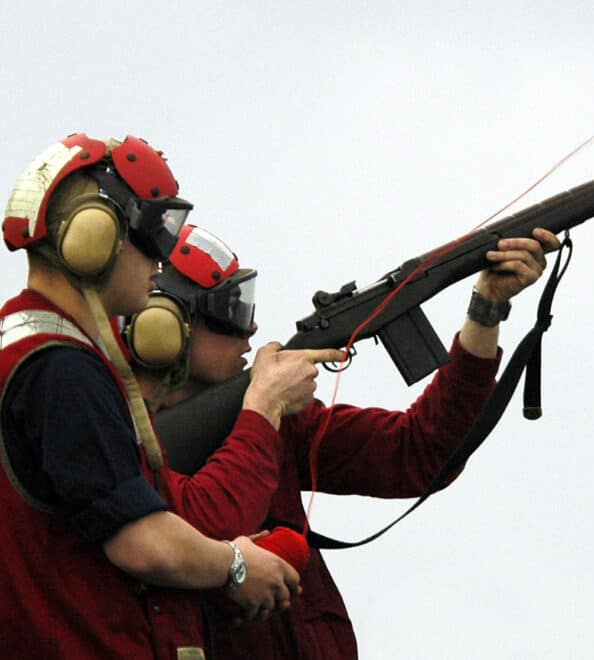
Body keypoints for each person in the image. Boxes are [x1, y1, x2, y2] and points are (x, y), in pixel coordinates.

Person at [135, 221, 560, 658]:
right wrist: (261, 409)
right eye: (228, 312)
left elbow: (418, 452)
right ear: (165, 326)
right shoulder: (118, 437)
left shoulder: (276, 414)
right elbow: (194, 530)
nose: (250, 330)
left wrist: (486, 308)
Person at [0, 134, 303, 659]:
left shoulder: (23, 346)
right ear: (97, 236)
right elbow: (141, 542)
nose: (161, 263)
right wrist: (235, 565)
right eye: (152, 233)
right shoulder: (63, 369)